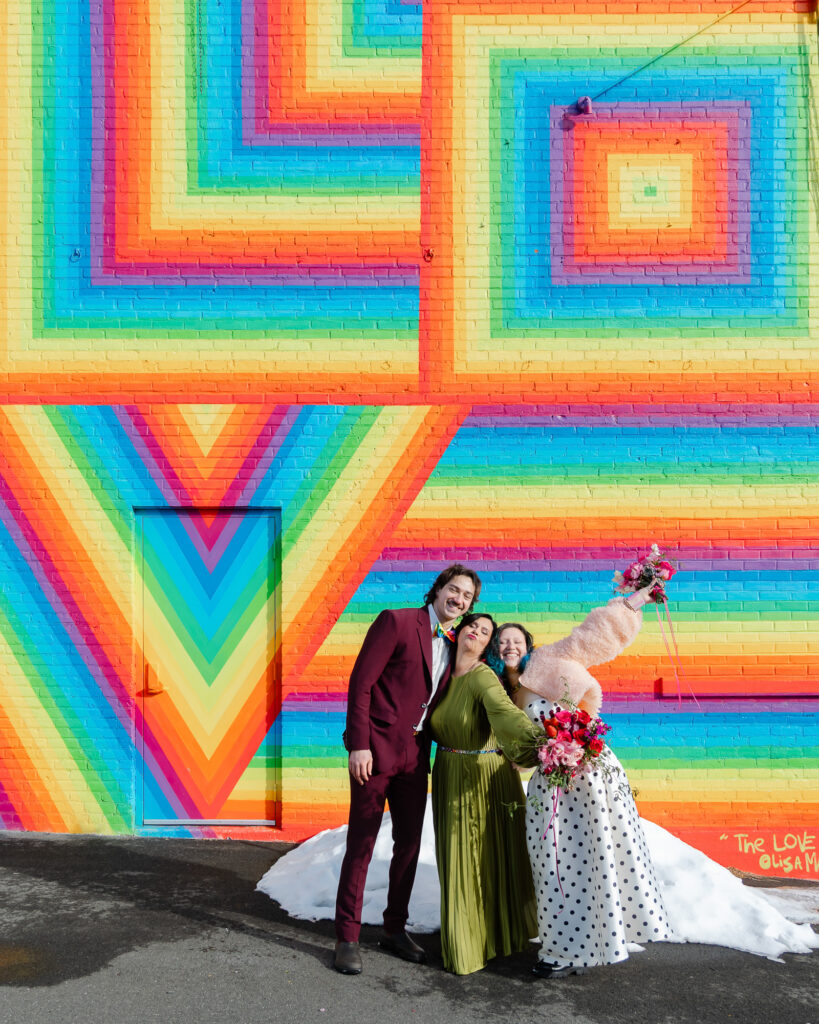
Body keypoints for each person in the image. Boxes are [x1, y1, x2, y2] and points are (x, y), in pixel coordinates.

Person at [514, 585, 673, 978]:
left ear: (528, 645)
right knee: (556, 864)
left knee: (600, 857)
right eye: (501, 643)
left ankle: (599, 941)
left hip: (590, 774)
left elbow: (594, 635)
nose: (508, 646)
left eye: (515, 640)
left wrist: (633, 601)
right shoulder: (501, 690)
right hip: (550, 783)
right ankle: (563, 948)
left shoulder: (552, 657)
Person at [333, 564, 482, 975]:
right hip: (373, 754)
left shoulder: (453, 646)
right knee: (361, 843)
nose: (458, 599)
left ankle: (394, 929)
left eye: (467, 596)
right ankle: (346, 936)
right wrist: (359, 745)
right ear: (437, 590)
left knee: (409, 845)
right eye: (454, 590)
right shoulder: (396, 622)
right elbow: (361, 683)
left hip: (416, 760)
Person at [429, 612, 543, 975]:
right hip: (448, 773)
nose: (476, 633)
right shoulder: (442, 675)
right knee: (459, 858)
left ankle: (477, 945)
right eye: (472, 627)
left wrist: (539, 748)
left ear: (485, 645)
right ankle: (479, 937)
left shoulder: (482, 677)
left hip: (484, 776)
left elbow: (504, 713)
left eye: (484, 632)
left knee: (481, 858)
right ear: (459, 632)